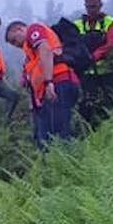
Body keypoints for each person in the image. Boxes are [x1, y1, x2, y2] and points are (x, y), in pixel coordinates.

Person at [4, 20, 80, 149]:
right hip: (48, 90)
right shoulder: (29, 53)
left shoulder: (34, 29)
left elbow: (45, 49)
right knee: (48, 136)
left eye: (14, 40)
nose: (15, 45)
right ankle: (54, 165)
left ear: (19, 29)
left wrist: (49, 82)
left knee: (59, 133)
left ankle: (67, 163)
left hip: (58, 82)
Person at [74, 0, 113, 123]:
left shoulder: (108, 21)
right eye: (88, 7)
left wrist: (96, 55)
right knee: (87, 105)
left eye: (94, 7)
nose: (91, 10)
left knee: (109, 103)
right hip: (86, 73)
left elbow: (112, 43)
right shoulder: (78, 24)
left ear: (100, 5)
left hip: (107, 71)